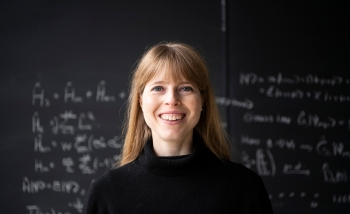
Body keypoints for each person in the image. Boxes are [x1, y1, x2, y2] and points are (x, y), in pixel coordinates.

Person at [83, 42, 273, 214]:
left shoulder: (245, 188)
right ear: (140, 101)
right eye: (158, 88)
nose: (172, 100)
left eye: (185, 88)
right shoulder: (106, 194)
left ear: (202, 100)